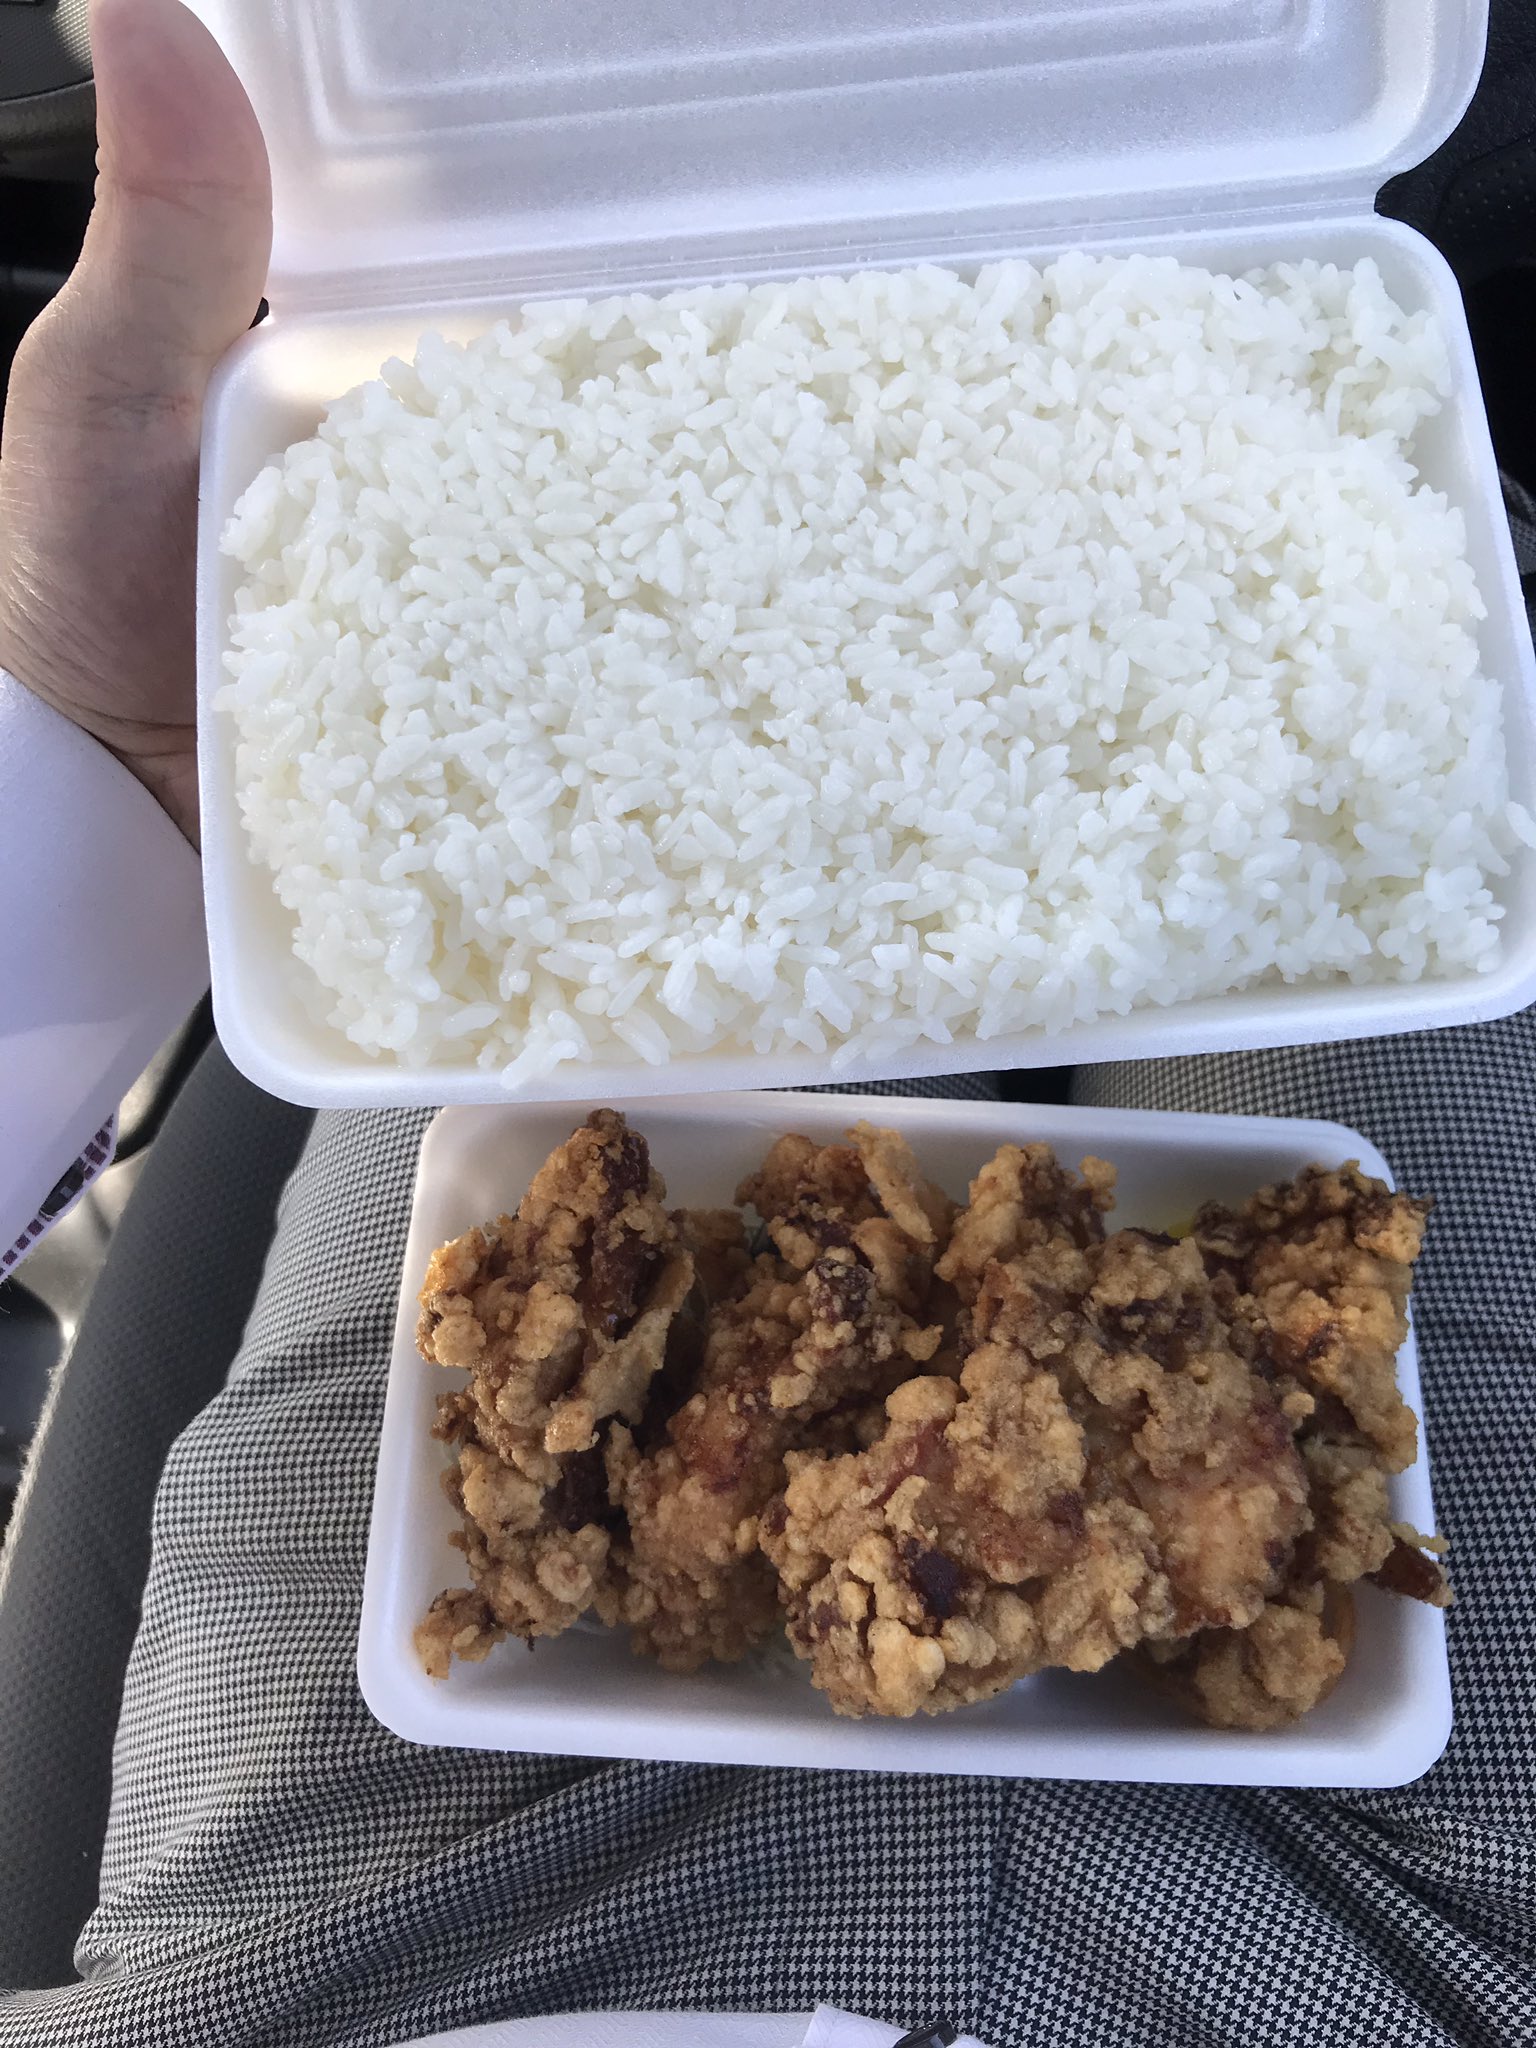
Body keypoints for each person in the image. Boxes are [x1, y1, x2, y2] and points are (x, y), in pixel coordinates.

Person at [1, 3, 1532, 2043]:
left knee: (537, 1138)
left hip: (352, 1918)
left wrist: (88, 763)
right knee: (1357, 968)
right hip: (1399, 1940)